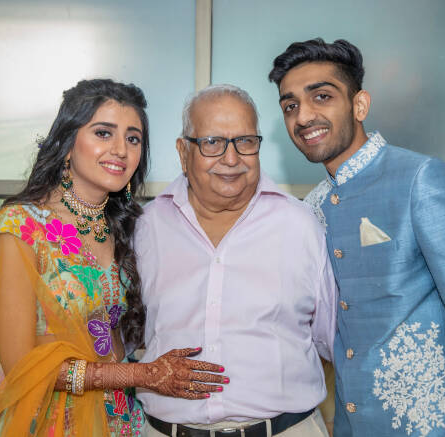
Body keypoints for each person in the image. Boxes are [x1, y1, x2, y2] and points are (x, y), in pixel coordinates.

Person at [0, 79, 227, 437]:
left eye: (133, 138)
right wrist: (142, 374)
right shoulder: (21, 226)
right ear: (68, 143)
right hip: (49, 420)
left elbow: (125, 332)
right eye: (103, 133)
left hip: (123, 420)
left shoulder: (129, 227)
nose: (120, 149)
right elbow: (20, 365)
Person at [269, 38, 445, 436]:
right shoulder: (311, 209)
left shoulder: (419, 179)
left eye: (321, 96)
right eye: (290, 106)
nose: (304, 116)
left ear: (359, 105)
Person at [134, 84, 337, 437]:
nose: (231, 159)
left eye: (245, 141)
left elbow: (336, 341)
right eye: (212, 142)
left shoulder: (300, 224)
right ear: (183, 152)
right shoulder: (145, 227)